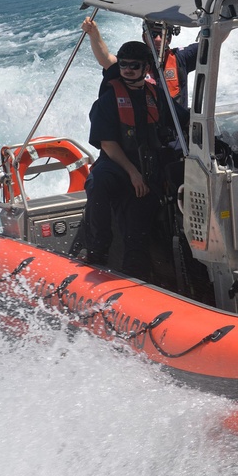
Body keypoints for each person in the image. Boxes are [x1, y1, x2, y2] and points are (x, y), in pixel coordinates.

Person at [82, 41, 174, 282]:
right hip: (117, 166)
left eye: (134, 65)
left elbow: (180, 123)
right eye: (123, 65)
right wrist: (133, 172)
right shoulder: (109, 98)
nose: (128, 70)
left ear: (146, 68)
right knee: (99, 181)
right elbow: (108, 144)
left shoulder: (157, 96)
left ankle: (137, 281)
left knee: (138, 237)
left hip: (147, 174)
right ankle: (96, 252)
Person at [81, 17, 199, 107]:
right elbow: (105, 59)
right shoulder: (132, 61)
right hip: (147, 130)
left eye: (163, 34)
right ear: (144, 37)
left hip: (177, 132)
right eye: (153, 34)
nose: (158, 39)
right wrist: (94, 34)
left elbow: (210, 44)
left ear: (170, 38)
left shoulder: (181, 58)